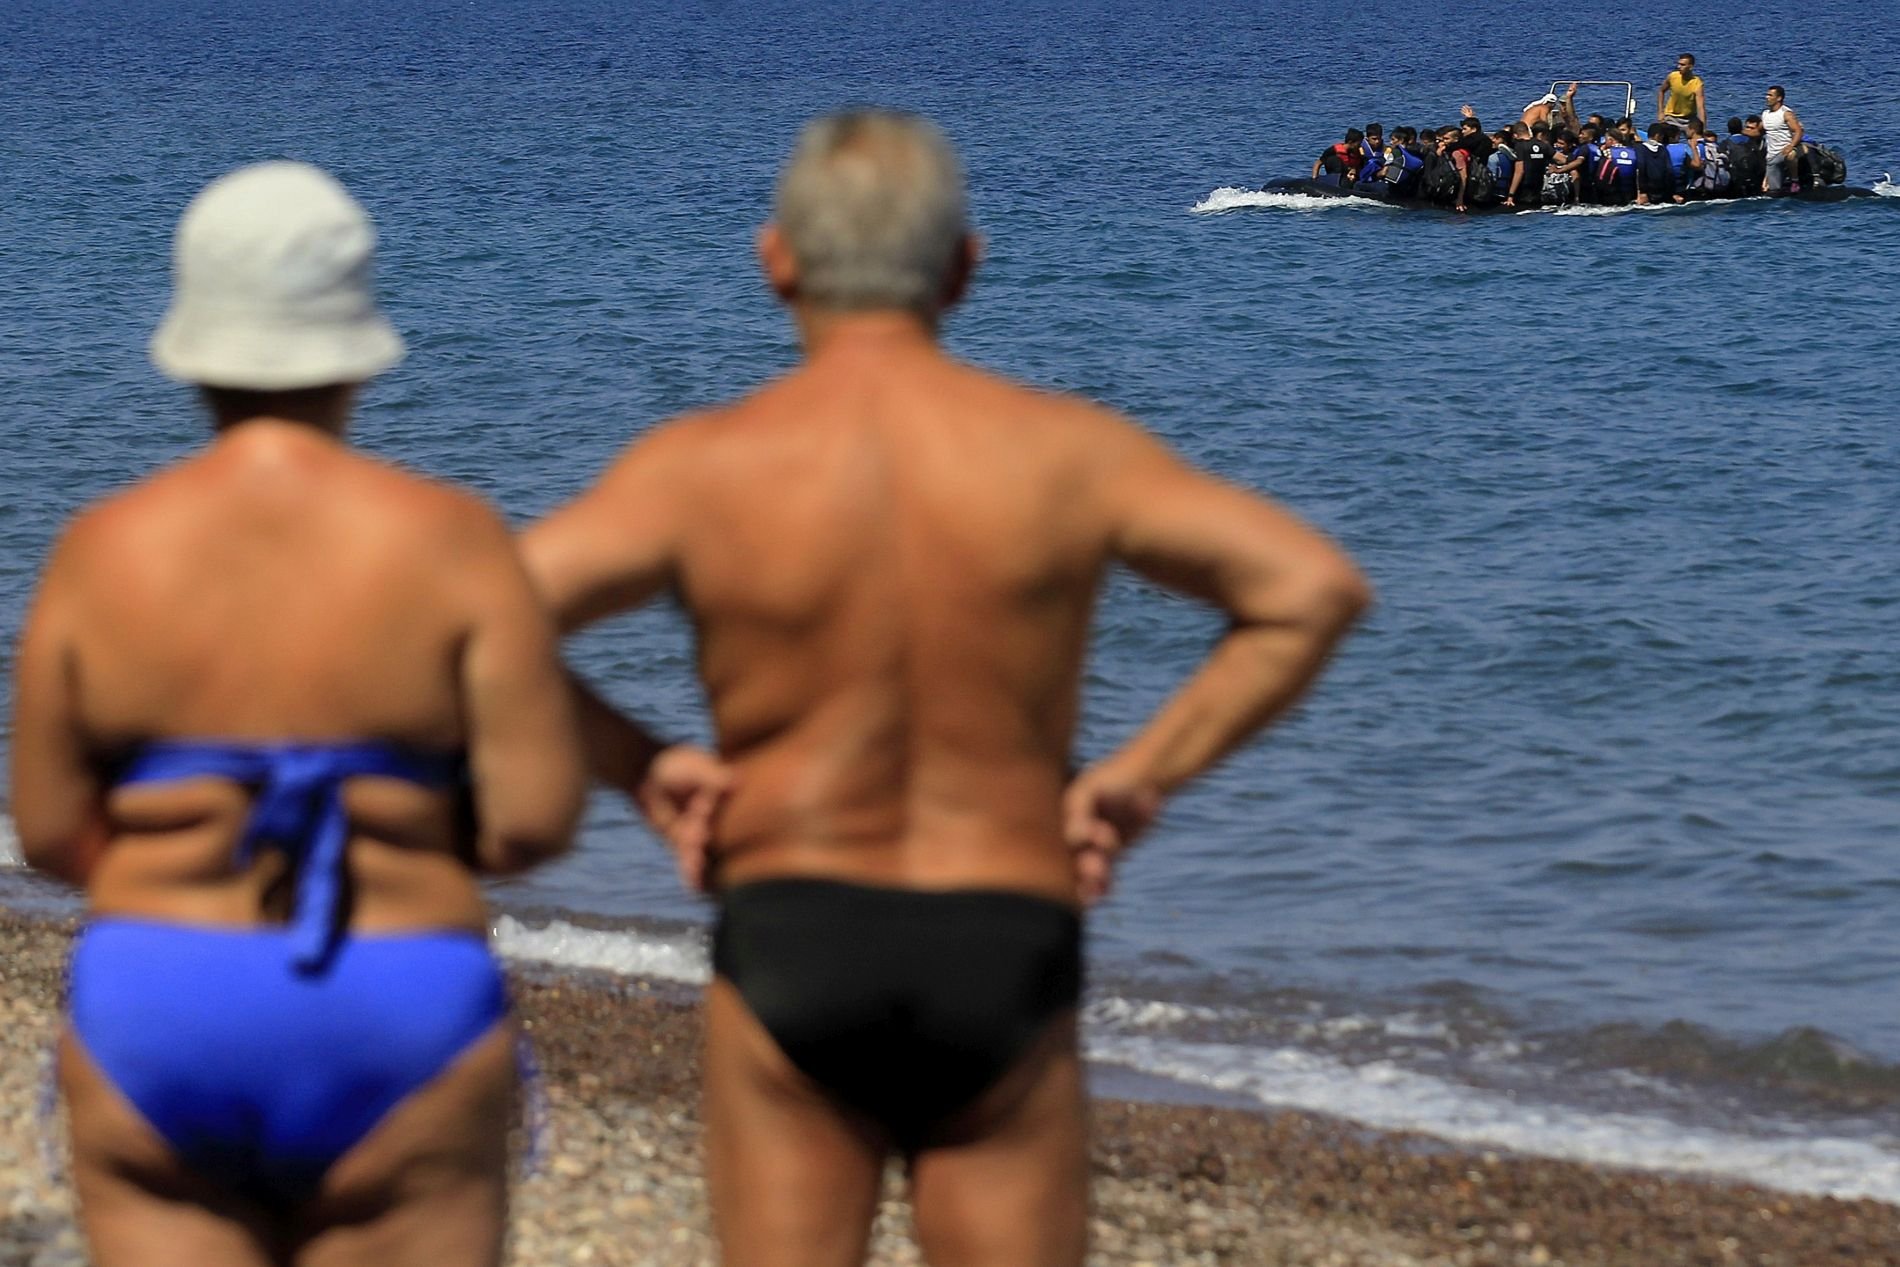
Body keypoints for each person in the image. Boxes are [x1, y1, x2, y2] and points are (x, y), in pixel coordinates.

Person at [521, 109, 1370, 1267]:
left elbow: (482, 619)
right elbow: (1308, 588)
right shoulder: (1065, 453)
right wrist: (1137, 777)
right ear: (964, 268)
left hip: (795, 925)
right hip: (1001, 929)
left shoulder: (702, 468)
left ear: (776, 261)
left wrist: (641, 766)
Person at [10, 162, 588, 1265]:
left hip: (163, 996)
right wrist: (394, 826)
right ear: (358, 342)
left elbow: (47, 830)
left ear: (191, 339)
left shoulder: (101, 552)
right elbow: (533, 822)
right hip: (396, 998)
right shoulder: (453, 540)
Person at [1761, 85, 1805, 192]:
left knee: (1791, 155)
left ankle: (1795, 181)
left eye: (1770, 95)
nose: (1767, 97)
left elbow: (1798, 131)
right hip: (1772, 156)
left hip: (1785, 151)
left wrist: (1791, 146)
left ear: (1779, 98)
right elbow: (1761, 131)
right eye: (1767, 95)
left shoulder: (1786, 113)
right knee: (1773, 189)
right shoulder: (1765, 114)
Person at [1505, 123, 1553, 209]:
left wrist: (1510, 195)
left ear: (1515, 135)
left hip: (1524, 189)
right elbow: (1562, 159)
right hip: (1538, 187)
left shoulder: (1519, 146)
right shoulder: (1542, 145)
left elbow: (1519, 171)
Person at [1636, 122, 1685, 205]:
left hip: (1647, 192)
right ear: (1658, 136)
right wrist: (1672, 193)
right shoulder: (1663, 150)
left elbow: (1641, 168)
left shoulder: (1640, 149)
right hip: (1662, 192)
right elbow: (1669, 171)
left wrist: (1642, 192)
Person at [1658, 53, 1708, 134]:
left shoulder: (1697, 83)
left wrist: (1703, 127)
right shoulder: (1672, 76)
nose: (1679, 67)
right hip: (1671, 117)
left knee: (1695, 141)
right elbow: (1661, 91)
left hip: (1689, 119)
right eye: (1678, 64)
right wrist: (1660, 112)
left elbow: (1700, 107)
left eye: (1682, 65)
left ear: (1690, 67)